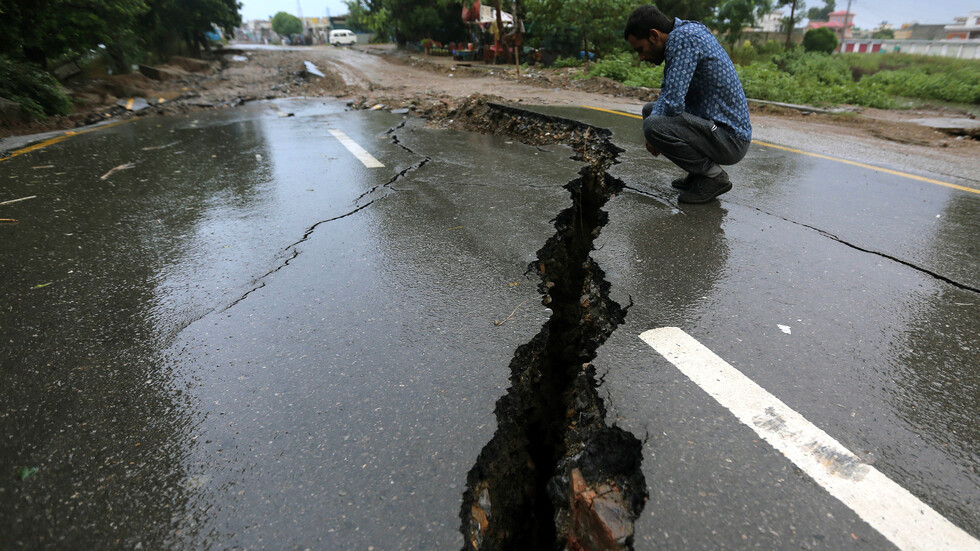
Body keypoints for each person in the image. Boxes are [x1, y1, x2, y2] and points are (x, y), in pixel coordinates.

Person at [624, 5, 752, 203]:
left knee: (653, 124)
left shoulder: (683, 39)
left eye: (640, 49)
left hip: (729, 137)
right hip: (717, 129)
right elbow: (669, 92)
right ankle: (698, 174)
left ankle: (713, 177)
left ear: (654, 35)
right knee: (650, 112)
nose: (641, 57)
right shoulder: (686, 31)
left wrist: (651, 134)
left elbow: (673, 102)